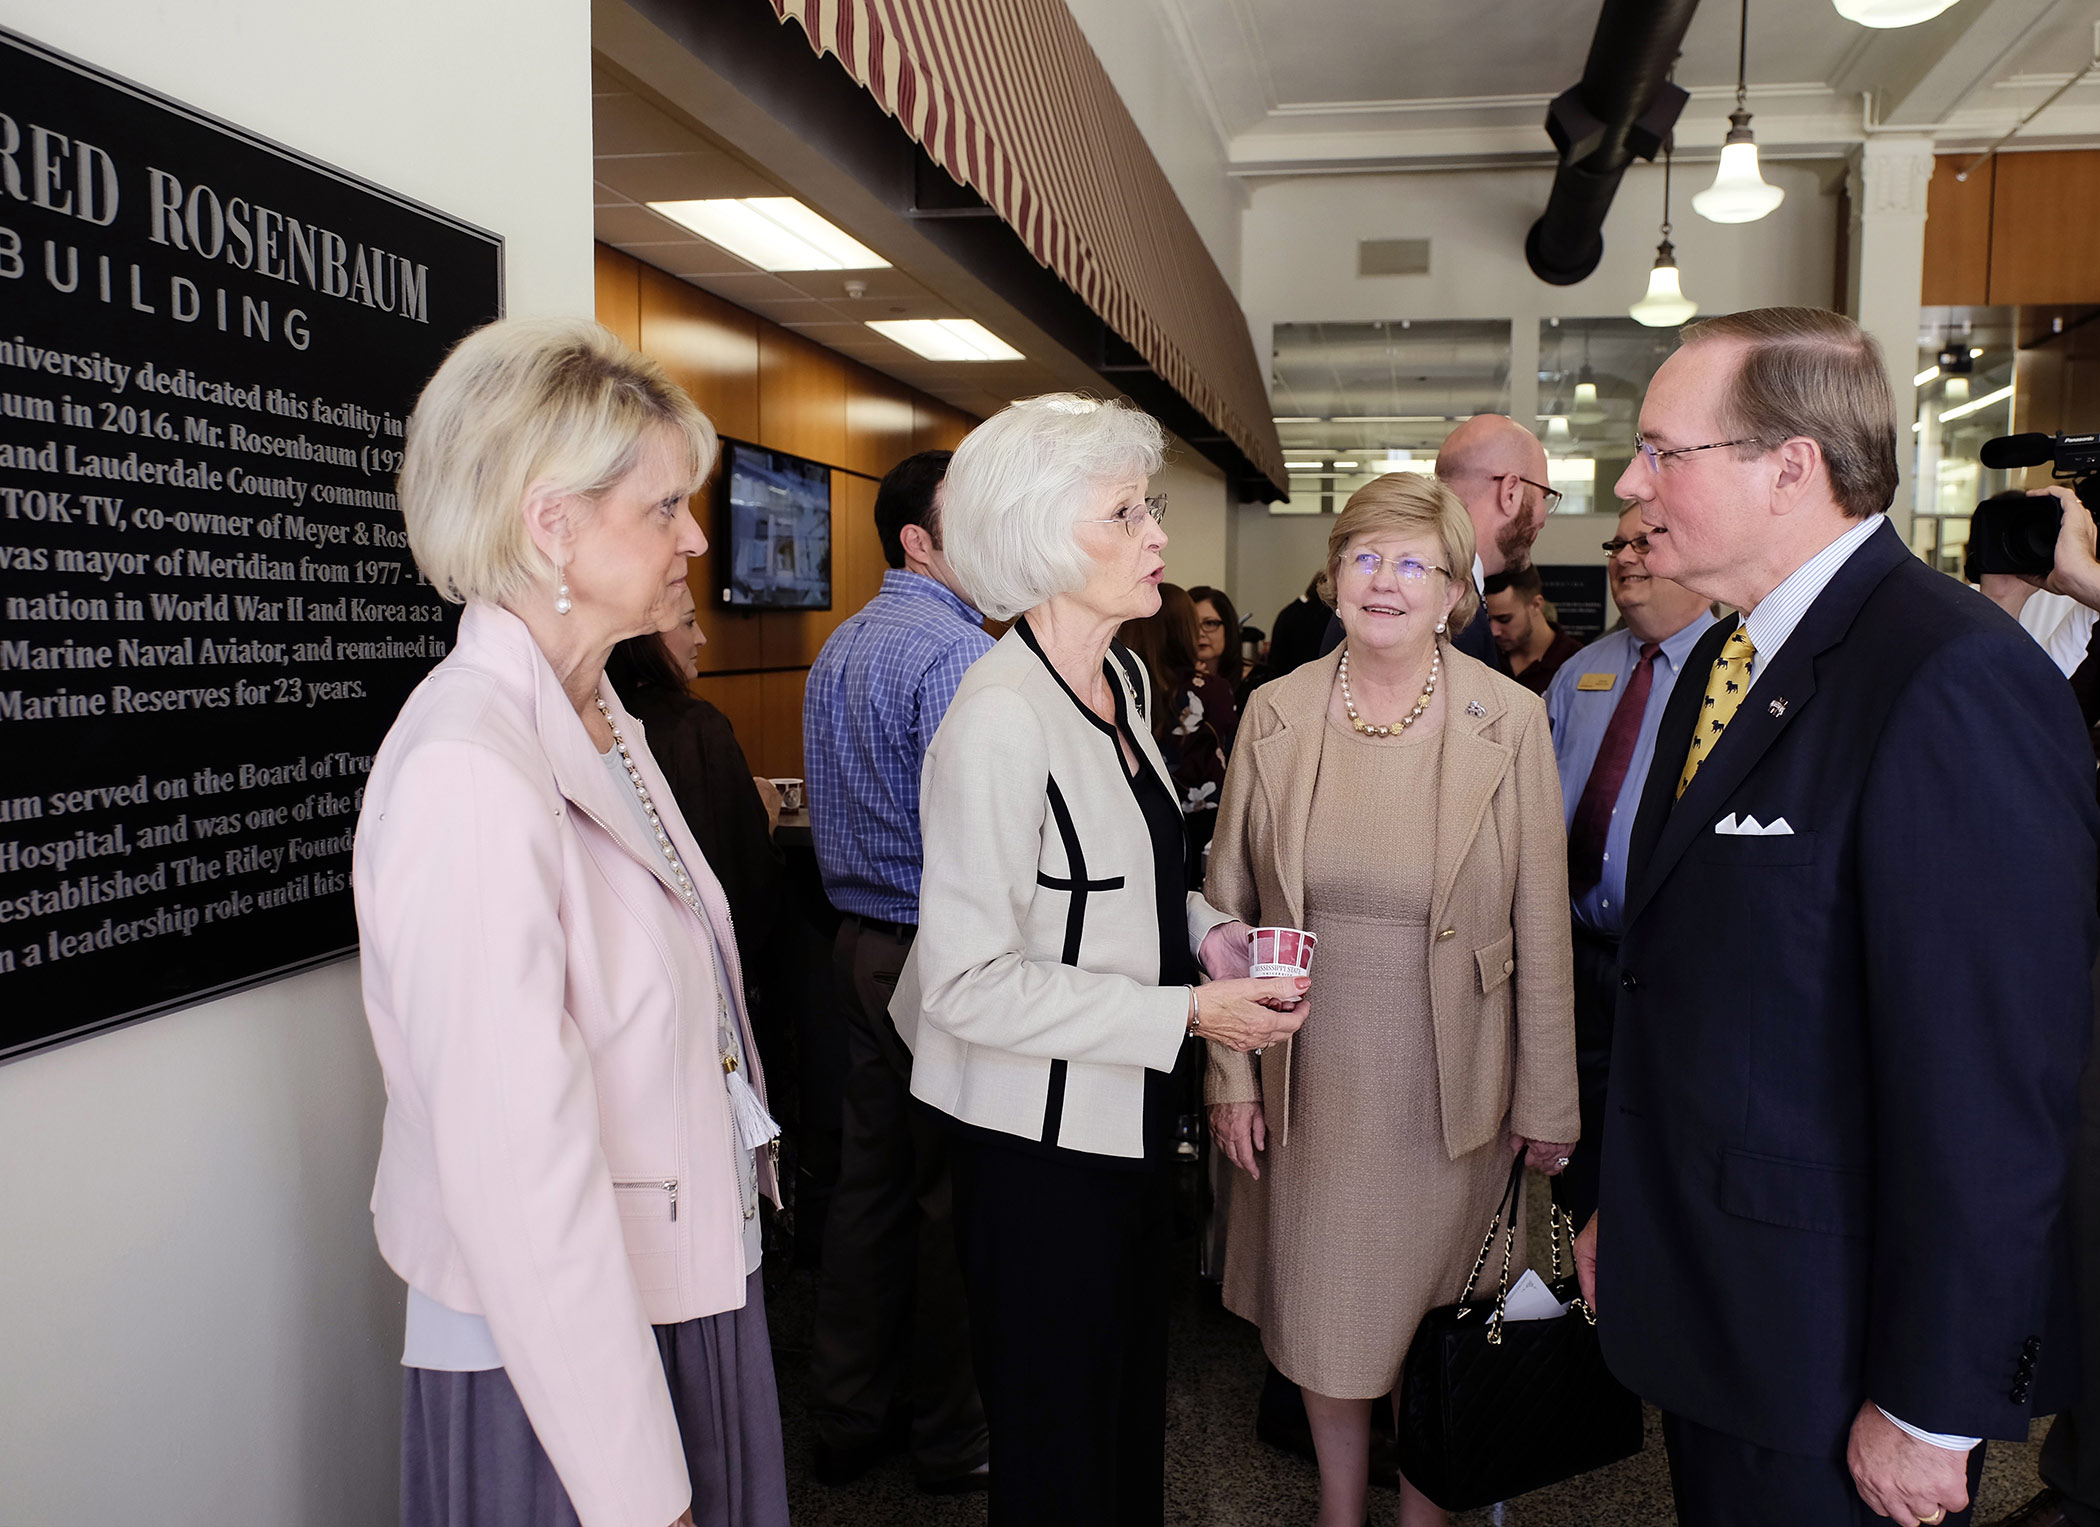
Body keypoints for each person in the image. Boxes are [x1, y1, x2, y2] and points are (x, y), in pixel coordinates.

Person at [1575, 306, 2100, 1527]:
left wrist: (1931, 1403)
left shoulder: (1949, 675)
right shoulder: (1726, 658)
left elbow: (1991, 1079)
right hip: (1720, 1302)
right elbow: (1700, 983)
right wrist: (1629, 1206)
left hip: (1839, 1347)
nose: (1628, 480)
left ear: (1788, 467)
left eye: (1663, 450)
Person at [353, 317, 789, 1527]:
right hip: (570, 1359)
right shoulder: (468, 767)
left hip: (671, 1291)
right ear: (552, 525)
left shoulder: (596, 719)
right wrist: (640, 1493)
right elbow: (517, 1179)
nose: (695, 538)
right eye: (662, 509)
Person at [893, 393, 1309, 1526]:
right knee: (1058, 1443)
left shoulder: (1121, 684)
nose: (1159, 538)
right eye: (1125, 512)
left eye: (1149, 507)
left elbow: (1131, 865)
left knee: (1126, 1415)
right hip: (1033, 1150)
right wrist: (1190, 1015)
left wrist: (1201, 931)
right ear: (1035, 536)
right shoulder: (995, 722)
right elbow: (967, 980)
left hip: (1122, 1121)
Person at [1206, 470, 1579, 1527]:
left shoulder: (1508, 719)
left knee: (1440, 1324)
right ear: (1332, 575)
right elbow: (1224, 905)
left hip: (1456, 1081)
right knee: (1330, 1315)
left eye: (1414, 562)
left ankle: (1422, 1513)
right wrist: (1231, 1073)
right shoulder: (1276, 711)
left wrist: (1548, 1105)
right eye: (1366, 554)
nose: (1385, 580)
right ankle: (1338, 1509)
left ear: (1457, 590)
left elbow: (1542, 924)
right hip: (1313, 1074)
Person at [801, 449, 993, 1493]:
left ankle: (845, 1416)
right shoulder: (959, 657)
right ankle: (948, 1433)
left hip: (860, 950)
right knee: (942, 1202)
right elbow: (978, 841)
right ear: (918, 540)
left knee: (870, 1190)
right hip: (936, 956)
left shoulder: (841, 646)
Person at [1539, 504, 1717, 1228]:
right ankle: (1567, 1314)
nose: (1625, 557)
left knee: (1656, 1139)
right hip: (1571, 953)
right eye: (1619, 542)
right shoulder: (1580, 673)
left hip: (1674, 959)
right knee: (1568, 1138)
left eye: (1648, 541)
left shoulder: (1736, 673)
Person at [606, 586, 785, 970]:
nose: (701, 637)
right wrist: (762, 820)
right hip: (709, 970)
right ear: (644, 636)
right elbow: (741, 883)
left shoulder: (599, 722)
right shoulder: (697, 730)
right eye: (688, 622)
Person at [1318, 413, 1556, 663]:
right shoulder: (1433, 605)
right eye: (1544, 496)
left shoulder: (1432, 595)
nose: (1543, 516)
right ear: (1510, 493)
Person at [1119, 582, 1238, 841]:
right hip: (1202, 825)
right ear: (1184, 629)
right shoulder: (1211, 689)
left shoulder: (1118, 686)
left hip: (1135, 820)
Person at [1484, 563, 1584, 693]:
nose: (1494, 631)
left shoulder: (1576, 662)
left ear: (1536, 605)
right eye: (1488, 620)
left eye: (1504, 619)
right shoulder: (1485, 656)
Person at [1188, 584, 1245, 695]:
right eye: (1192, 624)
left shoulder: (1259, 679)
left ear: (1229, 628)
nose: (1200, 633)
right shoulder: (1168, 681)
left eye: (1210, 623)